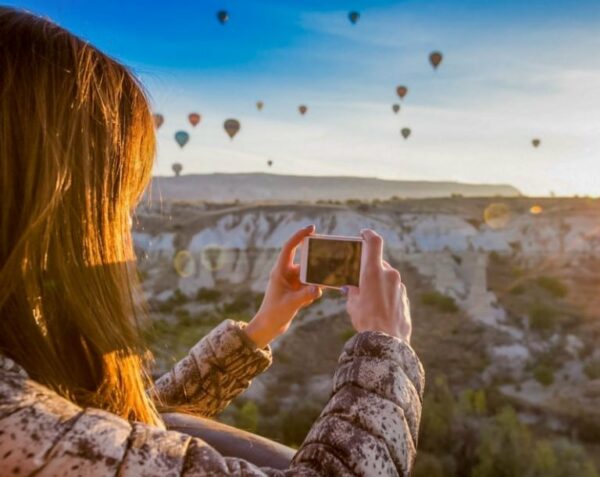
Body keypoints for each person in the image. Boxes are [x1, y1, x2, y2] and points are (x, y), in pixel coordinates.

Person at [0, 7, 424, 476]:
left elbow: (118, 439)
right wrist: (384, 348)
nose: (128, 229)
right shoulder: (16, 425)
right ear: (45, 202)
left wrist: (258, 331)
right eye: (118, 200)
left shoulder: (29, 419)